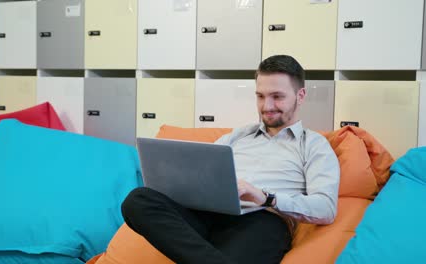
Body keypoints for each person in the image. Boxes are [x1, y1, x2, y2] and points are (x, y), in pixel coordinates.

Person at [121, 55, 340, 264]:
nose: (267, 106)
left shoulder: (313, 145)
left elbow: (326, 208)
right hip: (207, 214)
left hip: (262, 219)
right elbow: (200, 168)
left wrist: (264, 197)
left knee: (259, 235)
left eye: (277, 96)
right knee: (138, 200)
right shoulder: (238, 135)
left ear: (300, 96)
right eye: (260, 96)